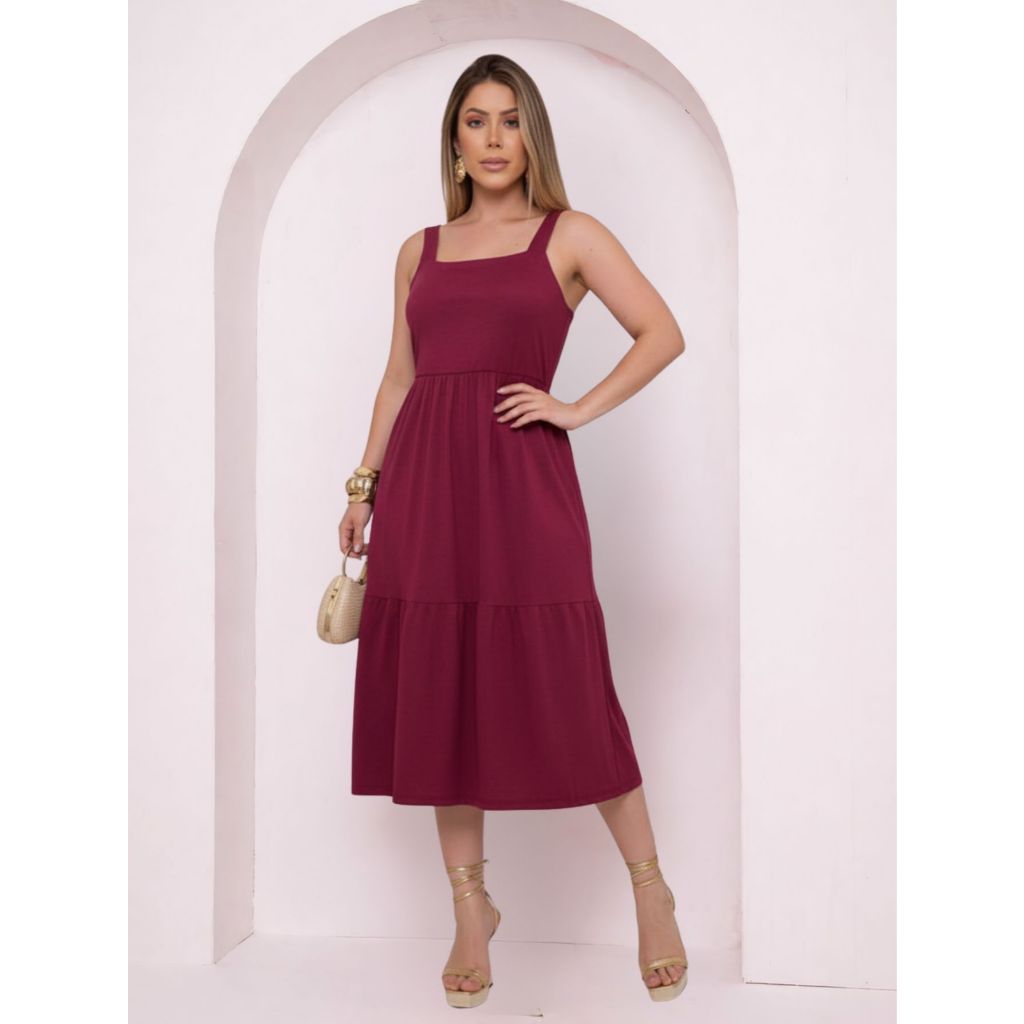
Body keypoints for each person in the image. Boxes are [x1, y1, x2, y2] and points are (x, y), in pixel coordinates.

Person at [338, 53, 689, 1008]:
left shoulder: (571, 235)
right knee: (442, 689)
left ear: (532, 136)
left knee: (570, 682)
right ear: (454, 142)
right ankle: (470, 910)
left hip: (522, 487)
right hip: (425, 491)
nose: (493, 139)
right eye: (476, 121)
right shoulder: (419, 250)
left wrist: (574, 408)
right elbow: (401, 377)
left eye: (509, 120)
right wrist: (365, 485)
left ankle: (650, 890)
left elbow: (662, 332)